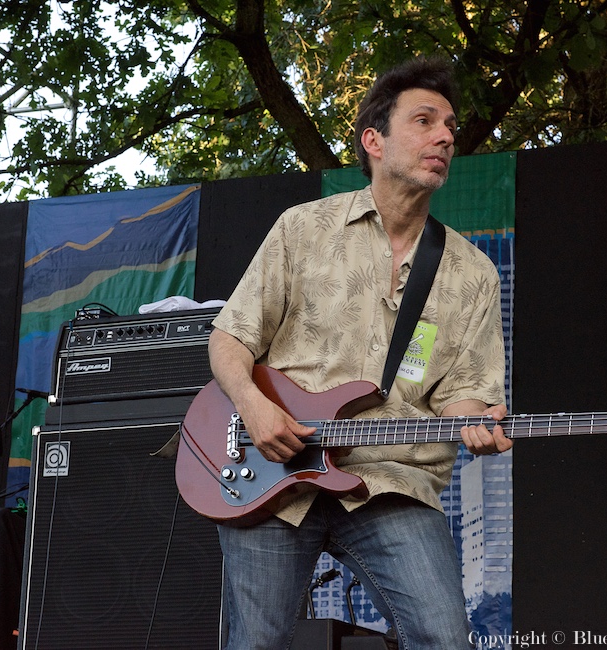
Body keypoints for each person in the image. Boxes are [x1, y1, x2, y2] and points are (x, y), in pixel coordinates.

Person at [207, 55, 512, 649]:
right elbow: (230, 338)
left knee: (446, 639)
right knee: (255, 642)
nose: (445, 136)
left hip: (390, 480)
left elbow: (461, 393)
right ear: (374, 140)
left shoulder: (472, 273)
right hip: (273, 472)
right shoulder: (303, 228)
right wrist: (253, 406)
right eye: (424, 121)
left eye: (450, 125)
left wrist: (475, 420)